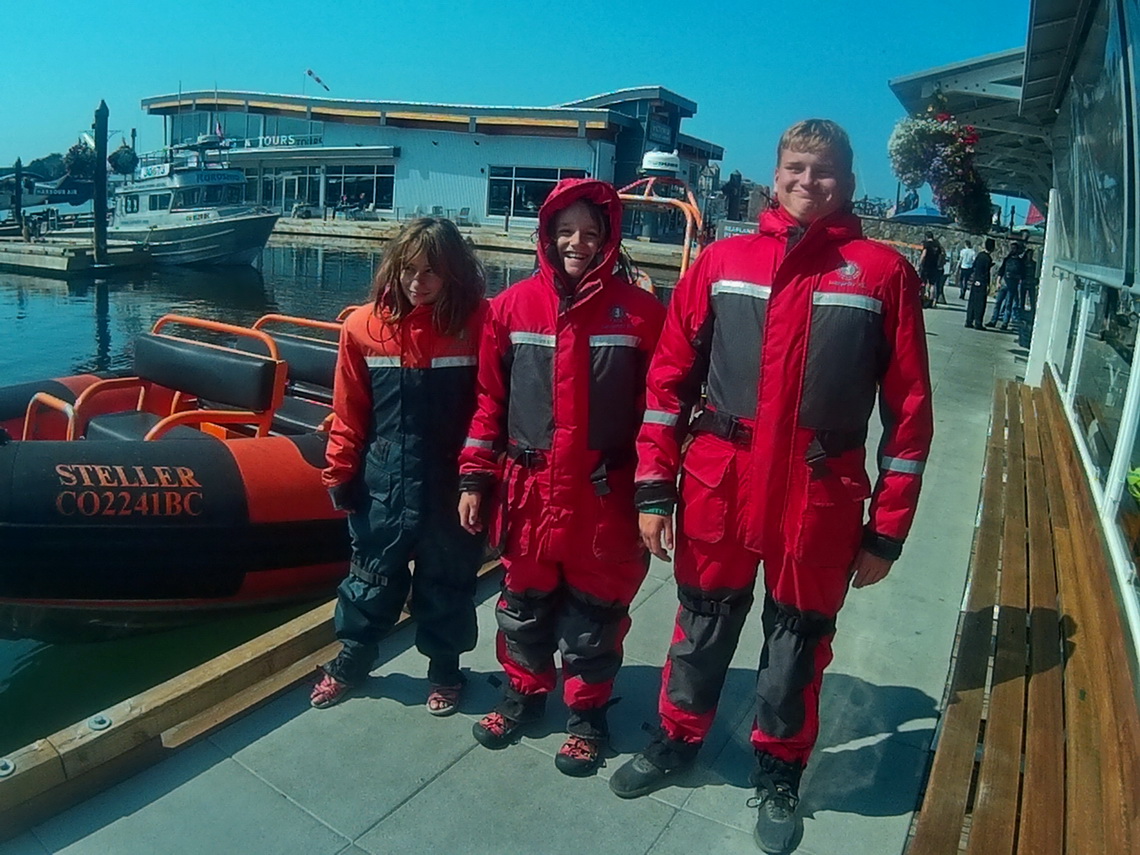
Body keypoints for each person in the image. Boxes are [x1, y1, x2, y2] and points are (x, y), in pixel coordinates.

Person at [608, 120, 934, 854]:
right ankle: (678, 737)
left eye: (823, 171)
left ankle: (779, 765)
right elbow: (666, 385)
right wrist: (654, 489)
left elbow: (909, 414)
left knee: (797, 643)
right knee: (700, 624)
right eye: (795, 168)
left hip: (818, 497)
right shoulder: (723, 262)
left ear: (846, 180)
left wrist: (887, 528)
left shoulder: (882, 274)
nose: (807, 182)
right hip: (722, 485)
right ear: (773, 174)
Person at [458, 178, 665, 776]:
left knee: (594, 619)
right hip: (527, 496)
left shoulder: (643, 315)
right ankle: (521, 695)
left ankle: (586, 716)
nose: (578, 241)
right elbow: (487, 405)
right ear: (547, 235)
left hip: (604, 503)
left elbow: (660, 414)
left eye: (591, 232)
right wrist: (474, 478)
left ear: (608, 239)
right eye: (566, 231)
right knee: (521, 604)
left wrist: (657, 494)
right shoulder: (510, 308)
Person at [312, 218, 488, 715]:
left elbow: (492, 406)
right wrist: (340, 473)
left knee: (449, 579)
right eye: (408, 269)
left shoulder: (478, 325)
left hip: (453, 482)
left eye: (432, 271)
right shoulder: (361, 327)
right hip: (383, 480)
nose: (418, 282)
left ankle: (446, 669)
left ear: (454, 273)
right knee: (370, 575)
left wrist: (482, 479)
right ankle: (353, 658)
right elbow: (349, 412)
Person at [987, 240, 1026, 330]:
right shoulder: (1007, 259)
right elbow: (1001, 271)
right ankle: (993, 320)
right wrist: (998, 282)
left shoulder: (1020, 262)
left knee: (1008, 304)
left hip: (1012, 286)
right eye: (1011, 248)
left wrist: (1015, 276)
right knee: (998, 303)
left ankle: (1005, 323)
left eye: (1014, 248)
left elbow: (1022, 275)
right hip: (1004, 284)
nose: (1013, 250)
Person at [965, 238, 995, 330]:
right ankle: (978, 322)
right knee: (980, 303)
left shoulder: (980, 255)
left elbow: (974, 266)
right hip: (982, 281)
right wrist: (988, 284)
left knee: (972, 301)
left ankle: (969, 320)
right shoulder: (988, 258)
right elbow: (986, 272)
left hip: (976, 280)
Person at [917, 232, 943, 308]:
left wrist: (919, 263)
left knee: (923, 283)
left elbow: (924, 254)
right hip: (934, 266)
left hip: (926, 266)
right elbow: (941, 254)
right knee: (932, 284)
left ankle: (922, 299)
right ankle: (932, 301)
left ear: (926, 237)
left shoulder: (926, 244)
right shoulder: (937, 244)